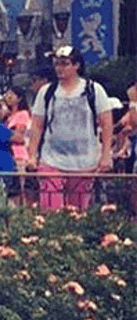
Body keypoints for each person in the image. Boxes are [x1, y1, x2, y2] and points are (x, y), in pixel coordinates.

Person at [25, 45, 112, 211]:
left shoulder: (94, 90)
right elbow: (37, 125)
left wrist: (105, 156)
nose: (59, 68)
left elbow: (106, 124)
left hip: (84, 162)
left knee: (77, 212)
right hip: (51, 160)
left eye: (65, 64)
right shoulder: (46, 92)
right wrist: (32, 156)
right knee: (51, 210)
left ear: (76, 65)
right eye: (57, 64)